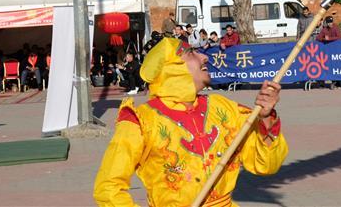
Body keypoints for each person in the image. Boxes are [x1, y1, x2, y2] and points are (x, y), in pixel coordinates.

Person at [94, 35, 287, 206]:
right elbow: (108, 188)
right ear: (172, 67)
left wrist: (266, 118)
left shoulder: (225, 108)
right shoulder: (140, 120)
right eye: (191, 53)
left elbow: (266, 166)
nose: (205, 57)